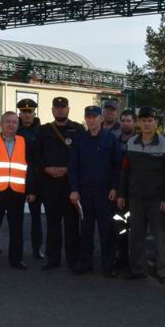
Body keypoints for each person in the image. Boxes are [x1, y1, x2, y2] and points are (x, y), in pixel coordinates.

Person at [118, 107, 165, 284]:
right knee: (136, 235)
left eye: (150, 120)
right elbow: (125, 171)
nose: (146, 123)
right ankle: (138, 269)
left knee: (161, 237)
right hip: (136, 198)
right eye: (143, 120)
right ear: (138, 123)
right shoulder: (131, 143)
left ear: (156, 123)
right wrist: (122, 193)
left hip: (157, 200)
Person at [0, 111, 37, 271]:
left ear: (18, 125)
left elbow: (31, 168)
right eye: (8, 122)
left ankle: (16, 260)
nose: (11, 125)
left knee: (17, 229)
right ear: (1, 124)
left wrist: (31, 190)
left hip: (17, 192)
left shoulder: (25, 142)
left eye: (14, 122)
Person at [69, 105, 122, 277]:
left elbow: (117, 166)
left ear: (100, 118)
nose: (91, 120)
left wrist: (115, 187)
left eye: (94, 117)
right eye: (88, 117)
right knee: (85, 230)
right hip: (85, 193)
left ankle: (107, 265)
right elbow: (74, 167)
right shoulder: (80, 139)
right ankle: (85, 263)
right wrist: (74, 189)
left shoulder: (110, 139)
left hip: (105, 193)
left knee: (106, 231)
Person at [35, 96, 84, 270]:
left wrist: (68, 170)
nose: (60, 110)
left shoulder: (78, 130)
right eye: (57, 107)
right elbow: (36, 156)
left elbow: (82, 157)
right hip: (50, 185)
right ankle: (52, 260)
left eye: (63, 107)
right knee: (52, 224)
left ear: (68, 109)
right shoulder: (43, 131)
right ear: (52, 110)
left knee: (72, 225)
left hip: (70, 185)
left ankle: (73, 260)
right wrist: (46, 169)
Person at [17, 98, 45, 259]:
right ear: (19, 113)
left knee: (36, 219)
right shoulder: (15, 130)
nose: (27, 115)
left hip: (37, 180)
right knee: (17, 218)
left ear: (35, 113)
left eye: (30, 112)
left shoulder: (42, 132)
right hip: (18, 179)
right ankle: (17, 249)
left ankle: (36, 249)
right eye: (24, 112)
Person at [112, 108, 136, 269]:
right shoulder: (114, 141)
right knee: (119, 227)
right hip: (118, 190)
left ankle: (133, 261)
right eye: (124, 120)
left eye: (129, 120)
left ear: (134, 123)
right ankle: (121, 258)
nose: (126, 123)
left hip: (134, 191)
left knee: (135, 229)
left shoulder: (139, 141)